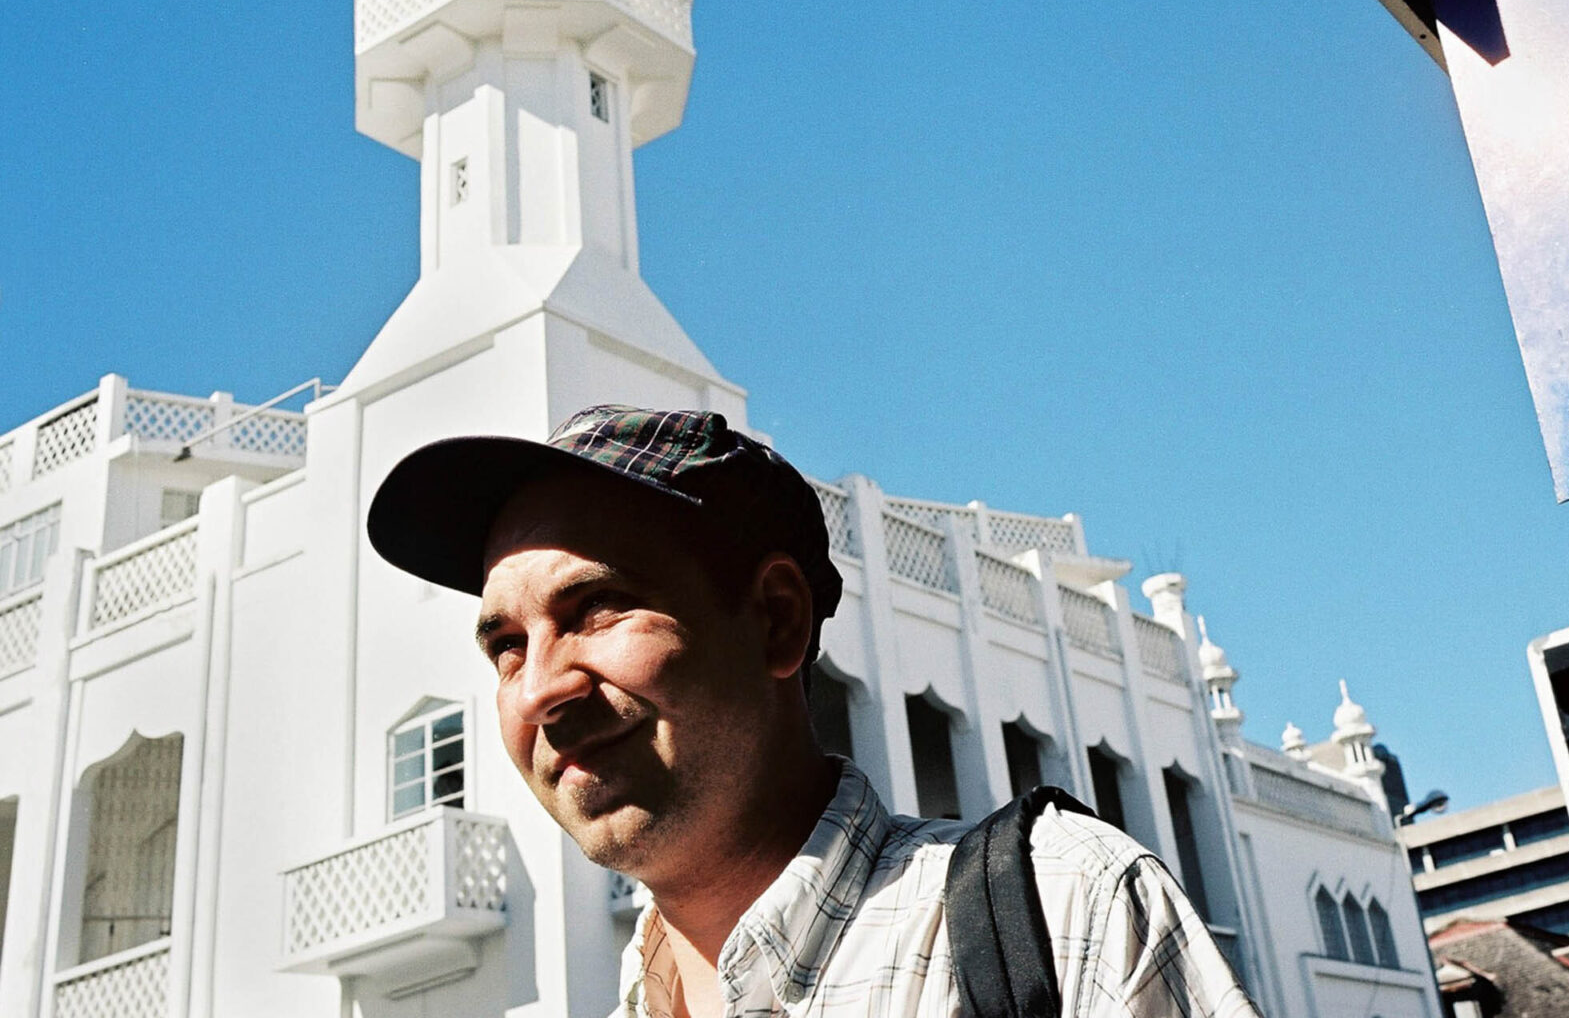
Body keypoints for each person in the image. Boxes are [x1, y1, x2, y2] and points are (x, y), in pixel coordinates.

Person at [367, 406, 1255, 1018]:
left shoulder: (1063, 913)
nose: (538, 690)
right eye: (506, 646)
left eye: (596, 609)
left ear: (776, 621)